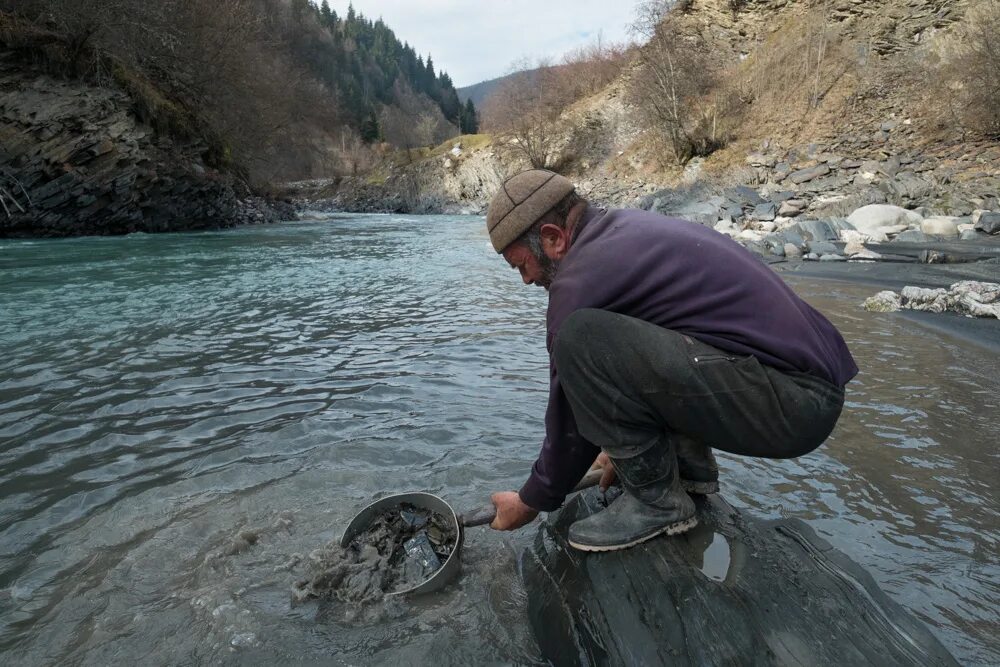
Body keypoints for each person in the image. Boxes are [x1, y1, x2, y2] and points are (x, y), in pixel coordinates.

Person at [486, 169, 858, 552]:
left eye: (522, 265)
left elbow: (568, 426)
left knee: (578, 338)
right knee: (613, 333)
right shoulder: (625, 230)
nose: (526, 280)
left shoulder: (578, 281)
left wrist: (530, 501)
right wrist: (626, 448)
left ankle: (657, 502)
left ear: (552, 238)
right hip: (807, 385)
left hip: (797, 402)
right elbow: (654, 353)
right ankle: (687, 469)